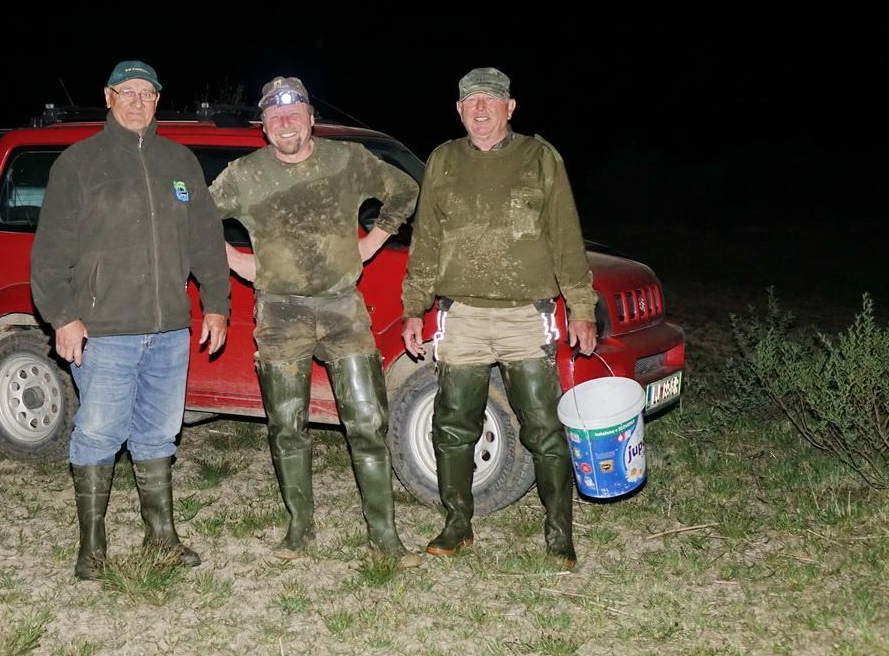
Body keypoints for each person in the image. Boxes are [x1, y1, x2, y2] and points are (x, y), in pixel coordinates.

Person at [209, 76, 421, 568]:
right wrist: (236, 262)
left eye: (294, 113)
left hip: (343, 309)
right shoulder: (244, 174)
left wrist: (372, 241)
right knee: (287, 426)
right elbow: (191, 219)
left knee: (367, 422)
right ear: (264, 127)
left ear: (310, 118)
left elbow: (405, 190)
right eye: (275, 117)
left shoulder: (347, 160)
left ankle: (385, 536)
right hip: (280, 315)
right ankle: (299, 531)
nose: (286, 123)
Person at [31, 60, 231, 580]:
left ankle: (161, 537)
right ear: (109, 97)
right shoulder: (79, 163)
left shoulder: (180, 161)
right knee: (99, 432)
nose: (138, 102)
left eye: (147, 93)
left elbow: (206, 240)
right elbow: (49, 253)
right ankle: (92, 547)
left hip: (169, 330)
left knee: (159, 434)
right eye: (128, 92)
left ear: (158, 100)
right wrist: (63, 316)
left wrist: (216, 303)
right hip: (105, 330)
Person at [400, 67, 597, 569]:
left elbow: (566, 237)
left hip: (525, 317)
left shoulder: (539, 157)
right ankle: (457, 523)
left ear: (510, 107)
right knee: (452, 425)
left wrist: (582, 308)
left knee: (543, 428)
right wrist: (413, 308)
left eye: (490, 99)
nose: (480, 108)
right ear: (459, 110)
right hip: (461, 314)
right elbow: (425, 243)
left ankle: (559, 532)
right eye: (471, 101)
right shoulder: (443, 160)